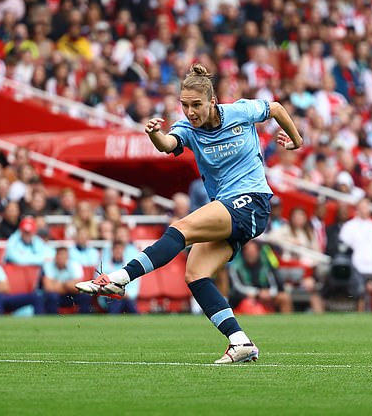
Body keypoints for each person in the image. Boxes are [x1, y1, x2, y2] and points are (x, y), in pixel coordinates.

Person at [76, 64, 303, 363]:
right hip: (228, 208)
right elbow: (167, 145)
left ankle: (121, 277)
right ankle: (240, 341)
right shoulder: (187, 129)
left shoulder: (241, 111)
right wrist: (155, 134)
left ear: (212, 101)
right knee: (195, 274)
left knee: (181, 227)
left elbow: (274, 108)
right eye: (185, 105)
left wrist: (296, 141)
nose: (190, 111)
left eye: (196, 105)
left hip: (253, 201)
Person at [227, 241, 293, 314]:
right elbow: (237, 287)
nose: (251, 254)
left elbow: (274, 284)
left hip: (267, 295)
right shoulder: (236, 267)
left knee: (284, 298)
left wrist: (269, 293)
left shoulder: (266, 265)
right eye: (249, 252)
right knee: (250, 304)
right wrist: (257, 293)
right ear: (244, 253)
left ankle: (286, 322)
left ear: (258, 252)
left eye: (253, 251)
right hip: (246, 297)